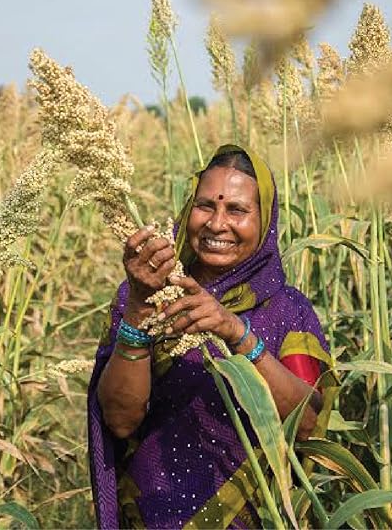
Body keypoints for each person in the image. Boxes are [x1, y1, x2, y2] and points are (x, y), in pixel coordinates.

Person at [87, 145, 331, 528]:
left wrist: (234, 331)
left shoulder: (288, 310)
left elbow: (308, 426)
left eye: (237, 210)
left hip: (257, 518)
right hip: (153, 517)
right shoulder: (147, 292)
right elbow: (120, 421)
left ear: (265, 221)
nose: (217, 224)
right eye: (205, 206)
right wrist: (138, 307)